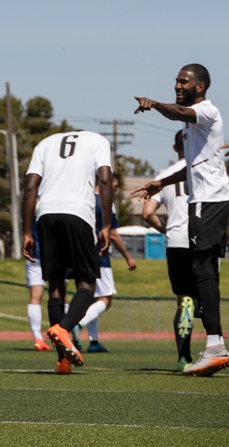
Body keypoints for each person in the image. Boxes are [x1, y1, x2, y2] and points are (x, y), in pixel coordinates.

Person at [132, 64, 229, 376]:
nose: (177, 85)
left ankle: (215, 345)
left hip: (209, 199)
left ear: (199, 87)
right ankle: (213, 343)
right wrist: (162, 182)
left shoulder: (206, 111)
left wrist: (155, 104)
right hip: (203, 200)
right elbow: (192, 165)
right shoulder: (193, 124)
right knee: (204, 270)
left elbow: (177, 113)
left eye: (183, 81)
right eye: (176, 81)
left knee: (203, 270)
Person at [22, 129, 113, 375]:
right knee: (87, 284)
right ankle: (64, 328)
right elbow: (104, 180)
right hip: (78, 214)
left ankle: (62, 362)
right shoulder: (98, 140)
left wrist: (27, 232)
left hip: (46, 215)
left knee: (55, 285)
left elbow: (30, 186)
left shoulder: (44, 142)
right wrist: (105, 225)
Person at [141, 130, 199, 371]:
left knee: (182, 300)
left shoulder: (163, 176)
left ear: (175, 148)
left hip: (175, 241)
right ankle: (214, 347)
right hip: (201, 240)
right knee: (205, 296)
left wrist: (166, 229)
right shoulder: (205, 169)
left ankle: (183, 357)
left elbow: (147, 213)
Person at [72, 173, 137, 354]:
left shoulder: (82, 198)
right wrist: (128, 257)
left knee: (91, 298)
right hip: (99, 255)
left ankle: (93, 341)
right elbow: (113, 234)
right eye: (114, 186)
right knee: (106, 299)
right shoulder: (106, 202)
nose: (114, 190)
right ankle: (77, 324)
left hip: (80, 253)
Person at [24, 215, 52, 351]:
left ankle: (37, 337)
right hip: (55, 254)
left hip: (34, 253)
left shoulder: (34, 202)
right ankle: (64, 335)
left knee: (35, 297)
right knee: (60, 294)